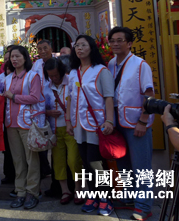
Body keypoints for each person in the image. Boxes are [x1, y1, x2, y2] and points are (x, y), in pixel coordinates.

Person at [108, 26, 155, 221]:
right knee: (123, 163)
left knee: (141, 166)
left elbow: (149, 95)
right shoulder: (110, 64)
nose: (116, 44)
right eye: (113, 41)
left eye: (120, 40)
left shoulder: (140, 64)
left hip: (136, 122)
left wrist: (143, 121)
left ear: (129, 43)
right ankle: (128, 198)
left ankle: (144, 206)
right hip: (118, 120)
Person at [66, 35, 115, 216]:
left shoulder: (101, 71)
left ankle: (105, 198)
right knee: (86, 163)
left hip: (97, 124)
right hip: (79, 123)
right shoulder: (73, 72)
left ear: (91, 48)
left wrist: (109, 121)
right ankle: (93, 196)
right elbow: (70, 98)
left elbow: (109, 97)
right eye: (77, 45)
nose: (79, 48)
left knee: (96, 163)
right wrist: (69, 121)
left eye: (83, 45)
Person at [2, 45, 45, 210]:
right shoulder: (7, 78)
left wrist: (14, 97)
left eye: (17, 56)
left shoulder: (33, 76)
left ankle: (32, 193)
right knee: (17, 161)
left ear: (25, 58)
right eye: (12, 57)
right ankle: (20, 192)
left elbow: (35, 97)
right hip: (11, 124)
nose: (14, 59)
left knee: (31, 160)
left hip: (27, 123)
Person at [43, 58, 83, 205]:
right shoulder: (46, 87)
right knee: (58, 162)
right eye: (51, 76)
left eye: (56, 75)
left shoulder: (71, 82)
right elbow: (40, 106)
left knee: (73, 160)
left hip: (71, 127)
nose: (54, 78)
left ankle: (78, 189)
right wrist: (48, 112)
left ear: (61, 71)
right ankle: (65, 190)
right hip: (54, 129)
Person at [31, 40, 54, 182]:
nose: (42, 51)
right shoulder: (37, 64)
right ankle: (45, 169)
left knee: (55, 140)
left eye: (45, 48)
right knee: (42, 137)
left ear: (51, 48)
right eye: (39, 49)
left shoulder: (57, 63)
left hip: (55, 103)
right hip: (40, 105)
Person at [0, 48, 15, 186]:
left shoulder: (28, 76)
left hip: (21, 117)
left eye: (12, 57)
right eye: (7, 58)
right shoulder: (3, 77)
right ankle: (9, 174)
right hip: (6, 115)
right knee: (8, 148)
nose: (9, 60)